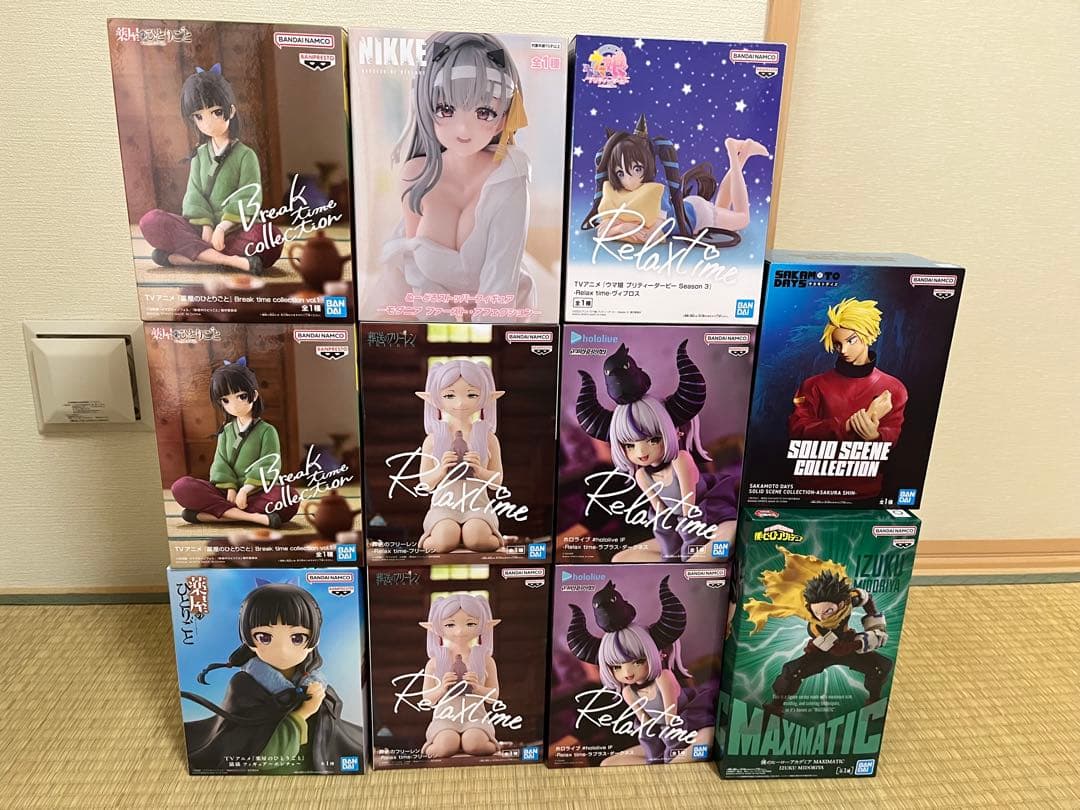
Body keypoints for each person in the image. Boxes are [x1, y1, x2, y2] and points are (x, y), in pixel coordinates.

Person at [139, 65, 283, 275]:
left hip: (234, 231)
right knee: (151, 221)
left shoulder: (246, 155)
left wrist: (222, 227)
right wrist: (206, 226)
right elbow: (194, 194)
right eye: (198, 116)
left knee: (271, 238)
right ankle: (231, 262)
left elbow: (249, 196)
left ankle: (181, 258)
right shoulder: (199, 155)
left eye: (216, 112)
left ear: (231, 111)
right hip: (199, 231)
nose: (207, 123)